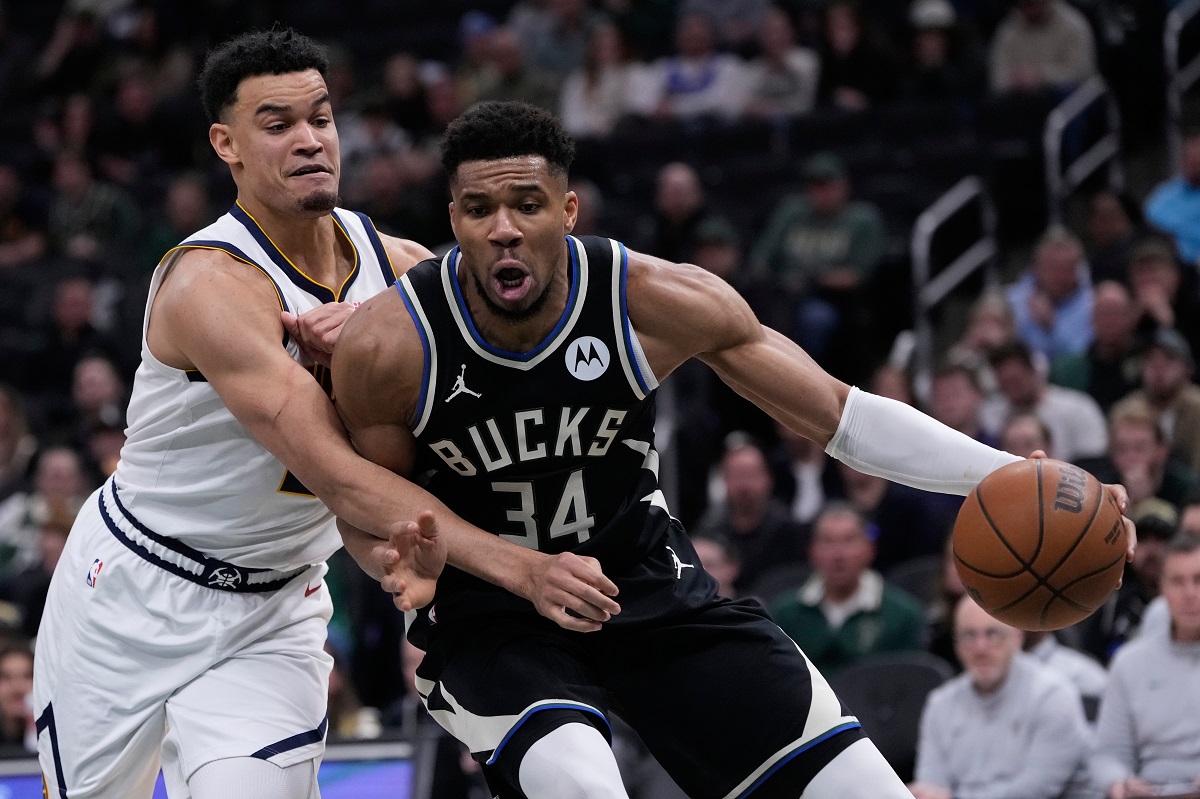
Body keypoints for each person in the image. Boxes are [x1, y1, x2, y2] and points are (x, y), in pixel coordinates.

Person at [328, 100, 1136, 799]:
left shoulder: (654, 300)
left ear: (568, 211)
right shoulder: (391, 346)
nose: (503, 229)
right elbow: (375, 509)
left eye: (526, 204)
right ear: (453, 218)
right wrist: (399, 564)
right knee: (579, 779)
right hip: (495, 617)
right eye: (478, 210)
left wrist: (1015, 474)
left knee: (863, 786)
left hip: (646, 587)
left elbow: (840, 415)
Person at [30, 28, 443, 799]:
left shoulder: (402, 272)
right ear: (228, 144)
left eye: (321, 118)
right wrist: (522, 570)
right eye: (278, 124)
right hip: (134, 588)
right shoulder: (208, 283)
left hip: (275, 604)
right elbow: (341, 478)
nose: (311, 140)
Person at [908, 596, 1092, 799]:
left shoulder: (1053, 696)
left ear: (1017, 637)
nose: (980, 648)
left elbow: (1034, 792)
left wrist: (953, 798)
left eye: (992, 634)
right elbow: (930, 789)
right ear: (956, 644)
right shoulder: (940, 704)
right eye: (969, 635)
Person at [1092, 532, 1200, 799]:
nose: (1190, 593)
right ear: (1161, 588)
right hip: (1150, 789)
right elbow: (1107, 755)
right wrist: (1119, 782)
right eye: (1177, 581)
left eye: (1199, 580)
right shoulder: (1129, 663)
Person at [769, 502, 925, 678]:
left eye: (849, 540)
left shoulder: (903, 615)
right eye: (828, 541)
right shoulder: (786, 614)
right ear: (812, 552)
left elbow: (909, 683)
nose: (838, 555)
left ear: (869, 549)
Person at [1145, 128, 1200, 268]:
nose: (1194, 163)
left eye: (1198, 159)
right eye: (1190, 158)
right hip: (1171, 263)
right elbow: (1149, 225)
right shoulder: (1165, 194)